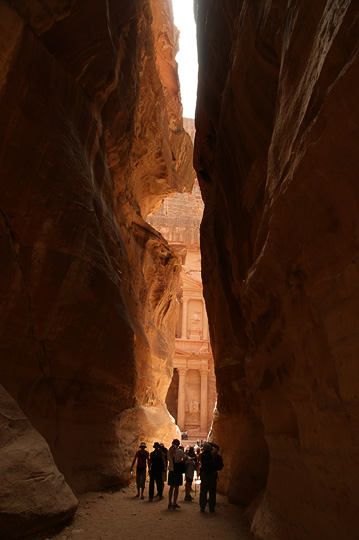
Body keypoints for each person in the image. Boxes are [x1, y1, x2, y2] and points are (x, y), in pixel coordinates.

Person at [199, 441, 220, 513]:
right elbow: (218, 448)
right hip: (212, 475)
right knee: (212, 492)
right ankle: (211, 508)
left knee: (203, 492)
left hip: (204, 475)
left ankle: (202, 507)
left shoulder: (201, 455)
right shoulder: (212, 454)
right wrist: (211, 443)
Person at [167, 438, 185, 509]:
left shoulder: (169, 451)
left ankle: (169, 502)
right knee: (176, 487)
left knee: (171, 487)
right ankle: (174, 502)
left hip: (171, 470)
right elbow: (184, 458)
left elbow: (168, 459)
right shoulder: (179, 451)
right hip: (177, 471)